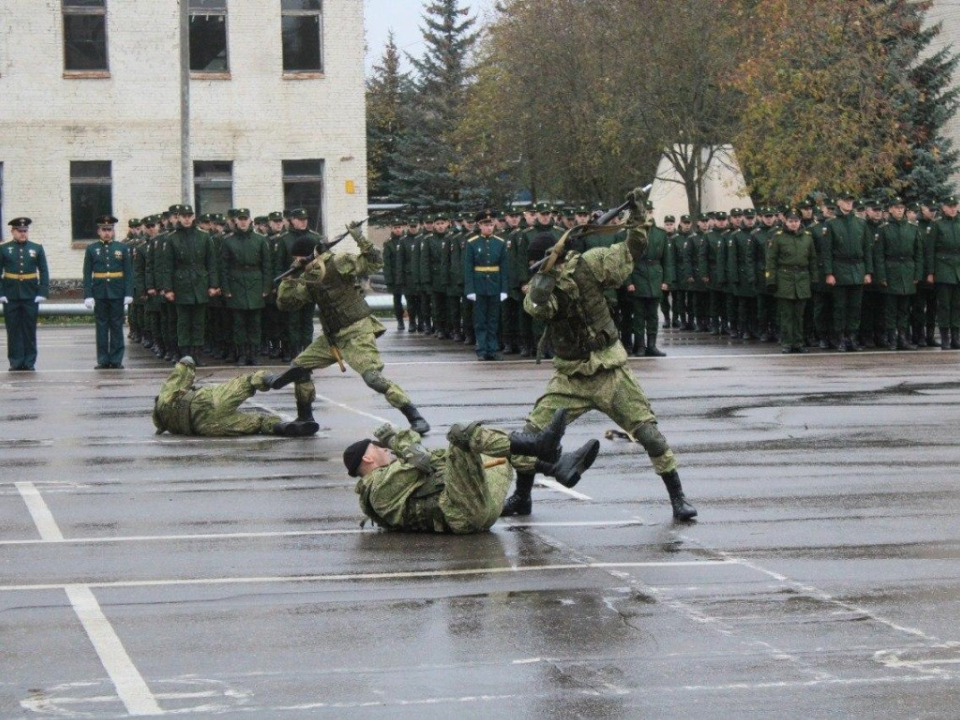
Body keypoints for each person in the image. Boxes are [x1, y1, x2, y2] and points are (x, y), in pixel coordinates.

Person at [500, 193, 698, 522]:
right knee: (530, 437)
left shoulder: (590, 264)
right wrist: (546, 276)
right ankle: (522, 497)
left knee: (649, 434)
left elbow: (632, 249)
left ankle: (678, 497)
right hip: (571, 378)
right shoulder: (540, 286)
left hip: (610, 370)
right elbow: (536, 309)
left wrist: (637, 215)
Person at [276, 223, 431, 436]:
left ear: (310, 255)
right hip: (332, 336)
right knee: (298, 368)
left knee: (373, 378)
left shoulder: (340, 262)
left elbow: (374, 262)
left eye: (298, 258)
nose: (296, 262)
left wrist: (361, 239)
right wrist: (289, 280)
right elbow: (286, 304)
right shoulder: (307, 276)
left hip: (356, 330)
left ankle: (415, 416)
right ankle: (305, 418)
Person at [345, 409, 600, 534]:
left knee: (493, 447)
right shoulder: (377, 488)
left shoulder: (388, 479)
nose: (384, 449)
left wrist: (400, 444)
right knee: (461, 432)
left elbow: (433, 458)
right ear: (368, 458)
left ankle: (556, 467)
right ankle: (541, 447)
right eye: (377, 447)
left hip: (479, 507)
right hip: (462, 513)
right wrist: (396, 439)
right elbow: (423, 461)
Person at [152, 356, 316, 437]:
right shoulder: (165, 396)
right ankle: (271, 380)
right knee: (248, 381)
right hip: (206, 401)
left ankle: (282, 427)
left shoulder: (170, 427)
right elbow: (186, 362)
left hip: (207, 427)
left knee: (258, 422)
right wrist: (190, 375)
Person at [160, 204, 219, 362]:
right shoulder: (172, 238)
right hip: (181, 284)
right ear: (178, 218)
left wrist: (213, 285)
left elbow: (211, 263)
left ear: (193, 217)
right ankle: (185, 354)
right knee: (183, 322)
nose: (186, 219)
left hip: (200, 283)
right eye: (183, 216)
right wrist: (168, 289)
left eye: (189, 216)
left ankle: (197, 354)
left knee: (199, 322)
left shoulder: (204, 237)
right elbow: (167, 266)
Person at [823, 192, 873, 351]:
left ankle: (852, 337)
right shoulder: (831, 224)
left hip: (858, 269)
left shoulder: (860, 223)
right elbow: (827, 251)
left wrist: (868, 272)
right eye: (845, 201)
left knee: (855, 306)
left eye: (851, 201)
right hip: (840, 269)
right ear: (838, 202)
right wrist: (829, 273)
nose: (848, 203)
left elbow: (867, 249)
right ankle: (840, 338)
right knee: (840, 306)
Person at [221, 208, 271, 366]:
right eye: (240, 219)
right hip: (236, 283)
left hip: (255, 282)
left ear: (250, 220)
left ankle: (254, 354)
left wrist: (266, 287)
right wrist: (226, 288)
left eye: (245, 219)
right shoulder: (228, 241)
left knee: (255, 323)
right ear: (236, 221)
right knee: (238, 323)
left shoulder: (260, 240)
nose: (243, 222)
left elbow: (267, 265)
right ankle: (241, 354)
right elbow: (223, 267)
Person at [83, 215, 134, 369]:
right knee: (102, 327)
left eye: (109, 230)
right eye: (104, 230)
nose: (106, 233)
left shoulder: (121, 248)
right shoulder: (92, 249)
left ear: (113, 231)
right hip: (100, 292)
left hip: (117, 292)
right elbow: (87, 273)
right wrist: (88, 295)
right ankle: (103, 359)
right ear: (99, 231)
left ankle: (116, 359)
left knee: (117, 326)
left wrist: (128, 293)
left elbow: (128, 272)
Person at [764, 207, 818, 353]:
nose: (793, 224)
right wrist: (771, 280)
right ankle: (787, 343)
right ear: (785, 221)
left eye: (796, 221)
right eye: (790, 221)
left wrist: (814, 278)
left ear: (800, 221)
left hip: (802, 278)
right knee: (786, 314)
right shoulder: (778, 237)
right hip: (784, 278)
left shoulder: (807, 237)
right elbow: (771, 260)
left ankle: (799, 342)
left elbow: (812, 259)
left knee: (799, 315)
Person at [873, 196, 923, 350]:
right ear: (890, 210)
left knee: (904, 309)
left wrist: (917, 275)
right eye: (896, 207)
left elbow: (918, 254)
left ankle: (903, 338)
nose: (900, 210)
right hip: (891, 270)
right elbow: (879, 255)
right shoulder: (883, 229)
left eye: (902, 207)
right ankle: (892, 339)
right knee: (890, 309)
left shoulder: (913, 228)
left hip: (908, 271)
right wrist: (881, 276)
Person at [1, 217, 50, 371]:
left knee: (29, 329)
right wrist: (1, 292)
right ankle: (16, 361)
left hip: (30, 294)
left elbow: (44, 271)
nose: (23, 234)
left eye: (25, 231)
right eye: (19, 231)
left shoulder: (36, 248)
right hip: (11, 294)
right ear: (12, 232)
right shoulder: (4, 249)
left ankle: (29, 361)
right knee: (13, 329)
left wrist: (42, 291)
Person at [464, 210, 509, 361]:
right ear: (479, 225)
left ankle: (492, 349)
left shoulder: (500, 243)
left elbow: (504, 268)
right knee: (480, 320)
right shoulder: (472, 243)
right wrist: (470, 289)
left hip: (495, 286)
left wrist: (504, 289)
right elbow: (468, 268)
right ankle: (482, 349)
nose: (489, 228)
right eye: (485, 225)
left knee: (493, 320)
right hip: (479, 286)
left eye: (491, 224)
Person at [926, 195, 960, 349]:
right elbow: (930, 249)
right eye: (950, 206)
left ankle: (956, 337)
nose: (953, 209)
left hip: (958, 268)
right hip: (943, 267)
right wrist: (931, 272)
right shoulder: (937, 225)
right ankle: (945, 336)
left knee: (957, 304)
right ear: (944, 208)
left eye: (955, 206)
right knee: (944, 305)